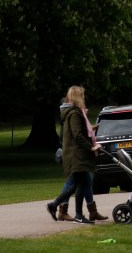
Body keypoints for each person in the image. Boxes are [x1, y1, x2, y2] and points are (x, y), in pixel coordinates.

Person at [45, 86, 103, 224]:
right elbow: (77, 135)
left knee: (80, 183)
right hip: (77, 155)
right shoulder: (74, 113)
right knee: (80, 183)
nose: (83, 98)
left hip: (76, 155)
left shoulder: (73, 113)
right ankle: (71, 212)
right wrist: (91, 146)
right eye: (82, 95)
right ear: (77, 96)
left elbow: (78, 131)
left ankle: (58, 207)